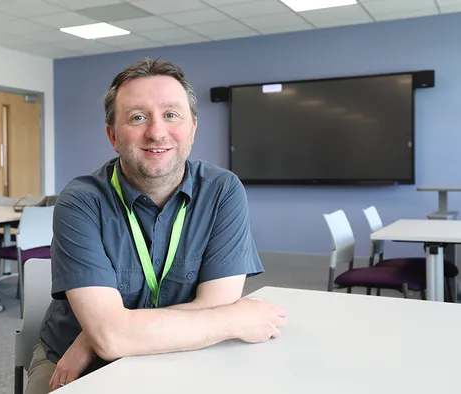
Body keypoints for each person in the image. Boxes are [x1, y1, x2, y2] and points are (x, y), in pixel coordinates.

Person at [25, 58, 287, 394]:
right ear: (112, 135)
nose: (156, 131)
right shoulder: (80, 201)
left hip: (183, 355)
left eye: (171, 114)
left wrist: (94, 337)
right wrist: (236, 321)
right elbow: (113, 337)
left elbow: (215, 304)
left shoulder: (223, 190)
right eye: (137, 117)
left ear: (193, 127)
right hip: (75, 364)